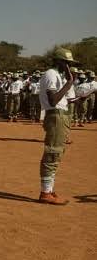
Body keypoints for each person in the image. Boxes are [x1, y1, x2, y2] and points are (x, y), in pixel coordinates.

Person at [37, 47, 77, 205]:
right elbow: (53, 100)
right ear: (59, 61)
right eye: (67, 62)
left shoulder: (56, 75)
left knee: (57, 153)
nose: (68, 66)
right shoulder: (51, 74)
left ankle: (49, 189)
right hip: (55, 115)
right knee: (52, 153)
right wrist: (69, 83)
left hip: (60, 115)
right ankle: (45, 192)